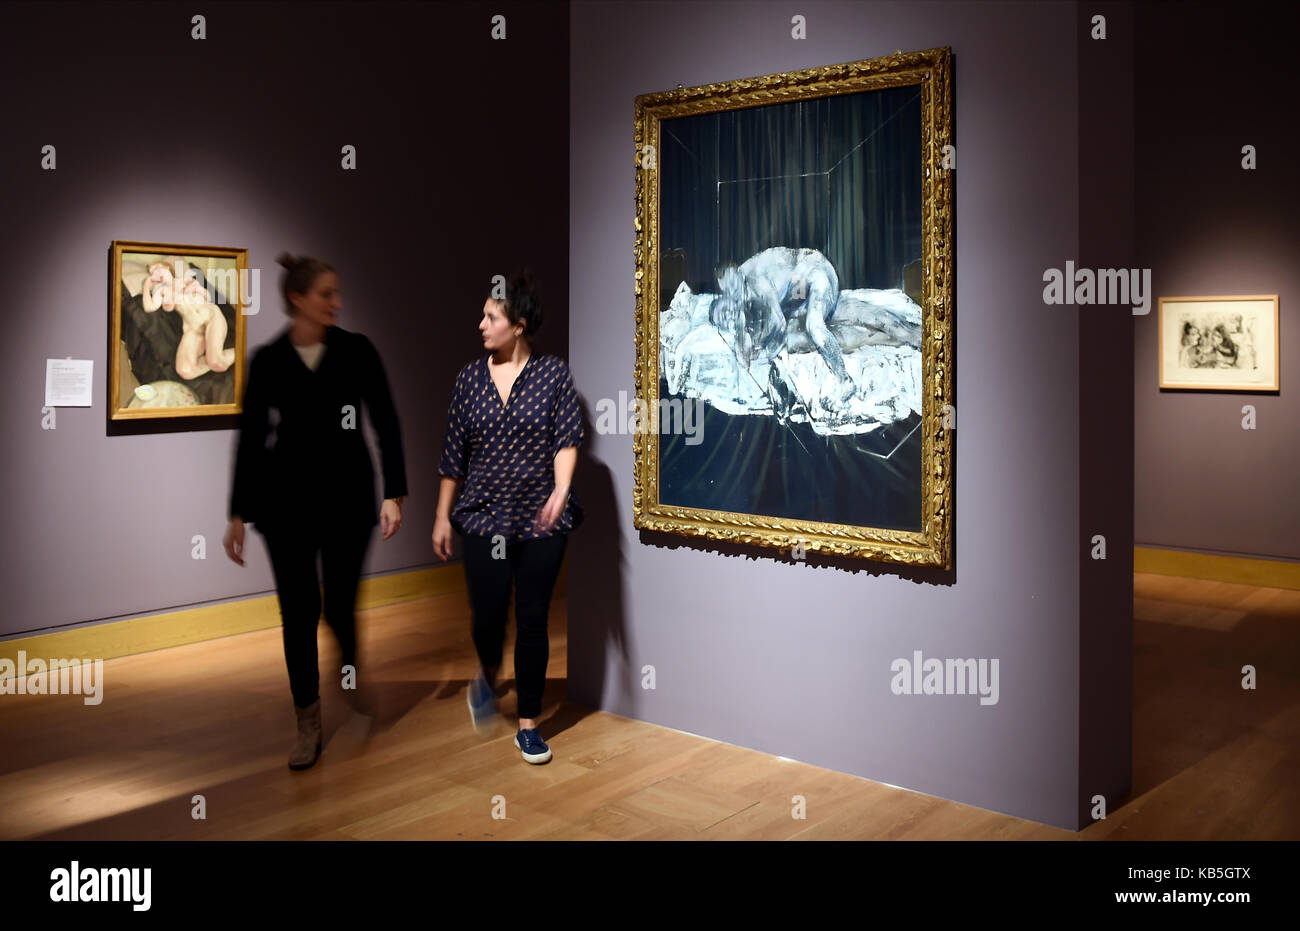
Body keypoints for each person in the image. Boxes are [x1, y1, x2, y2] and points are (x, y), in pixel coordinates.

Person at [223, 253, 408, 771]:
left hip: (348, 501)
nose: (337, 303)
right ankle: (308, 719)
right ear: (298, 299)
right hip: (285, 507)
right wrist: (237, 513)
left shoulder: (357, 352)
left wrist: (395, 492)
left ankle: (348, 666)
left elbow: (387, 422)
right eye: (327, 294)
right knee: (298, 614)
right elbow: (252, 438)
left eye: (337, 293)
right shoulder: (268, 361)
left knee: (340, 606)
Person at [432, 269, 583, 765]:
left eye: (491, 316)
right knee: (489, 615)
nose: (481, 324)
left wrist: (562, 490)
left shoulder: (554, 375)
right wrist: (440, 516)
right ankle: (488, 667)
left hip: (541, 520)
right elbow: (453, 456)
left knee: (534, 618)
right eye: (483, 315)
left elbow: (566, 439)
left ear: (518, 324)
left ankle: (529, 724)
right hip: (481, 519)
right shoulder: (468, 379)